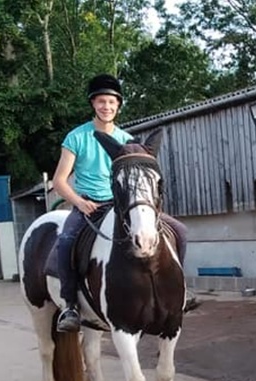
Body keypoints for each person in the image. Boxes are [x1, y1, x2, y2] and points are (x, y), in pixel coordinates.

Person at [52, 74, 195, 332]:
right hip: (90, 207)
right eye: (101, 101)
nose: (106, 107)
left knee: (180, 232)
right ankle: (70, 306)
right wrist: (79, 202)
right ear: (93, 104)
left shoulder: (128, 140)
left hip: (124, 207)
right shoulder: (76, 137)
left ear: (118, 106)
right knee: (65, 242)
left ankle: (178, 292)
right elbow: (59, 181)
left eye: (111, 102)